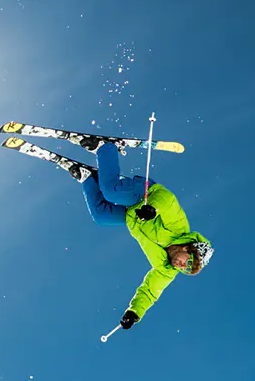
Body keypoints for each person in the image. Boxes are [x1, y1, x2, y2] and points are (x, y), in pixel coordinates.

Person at [79, 138, 213, 330]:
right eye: (188, 262)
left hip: (132, 216)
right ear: (188, 248)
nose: (182, 266)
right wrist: (153, 209)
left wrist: (134, 313)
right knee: (111, 192)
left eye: (185, 269)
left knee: (101, 216)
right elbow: (168, 201)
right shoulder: (180, 229)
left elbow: (151, 291)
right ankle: (105, 147)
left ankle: (86, 177)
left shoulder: (165, 269)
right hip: (145, 195)